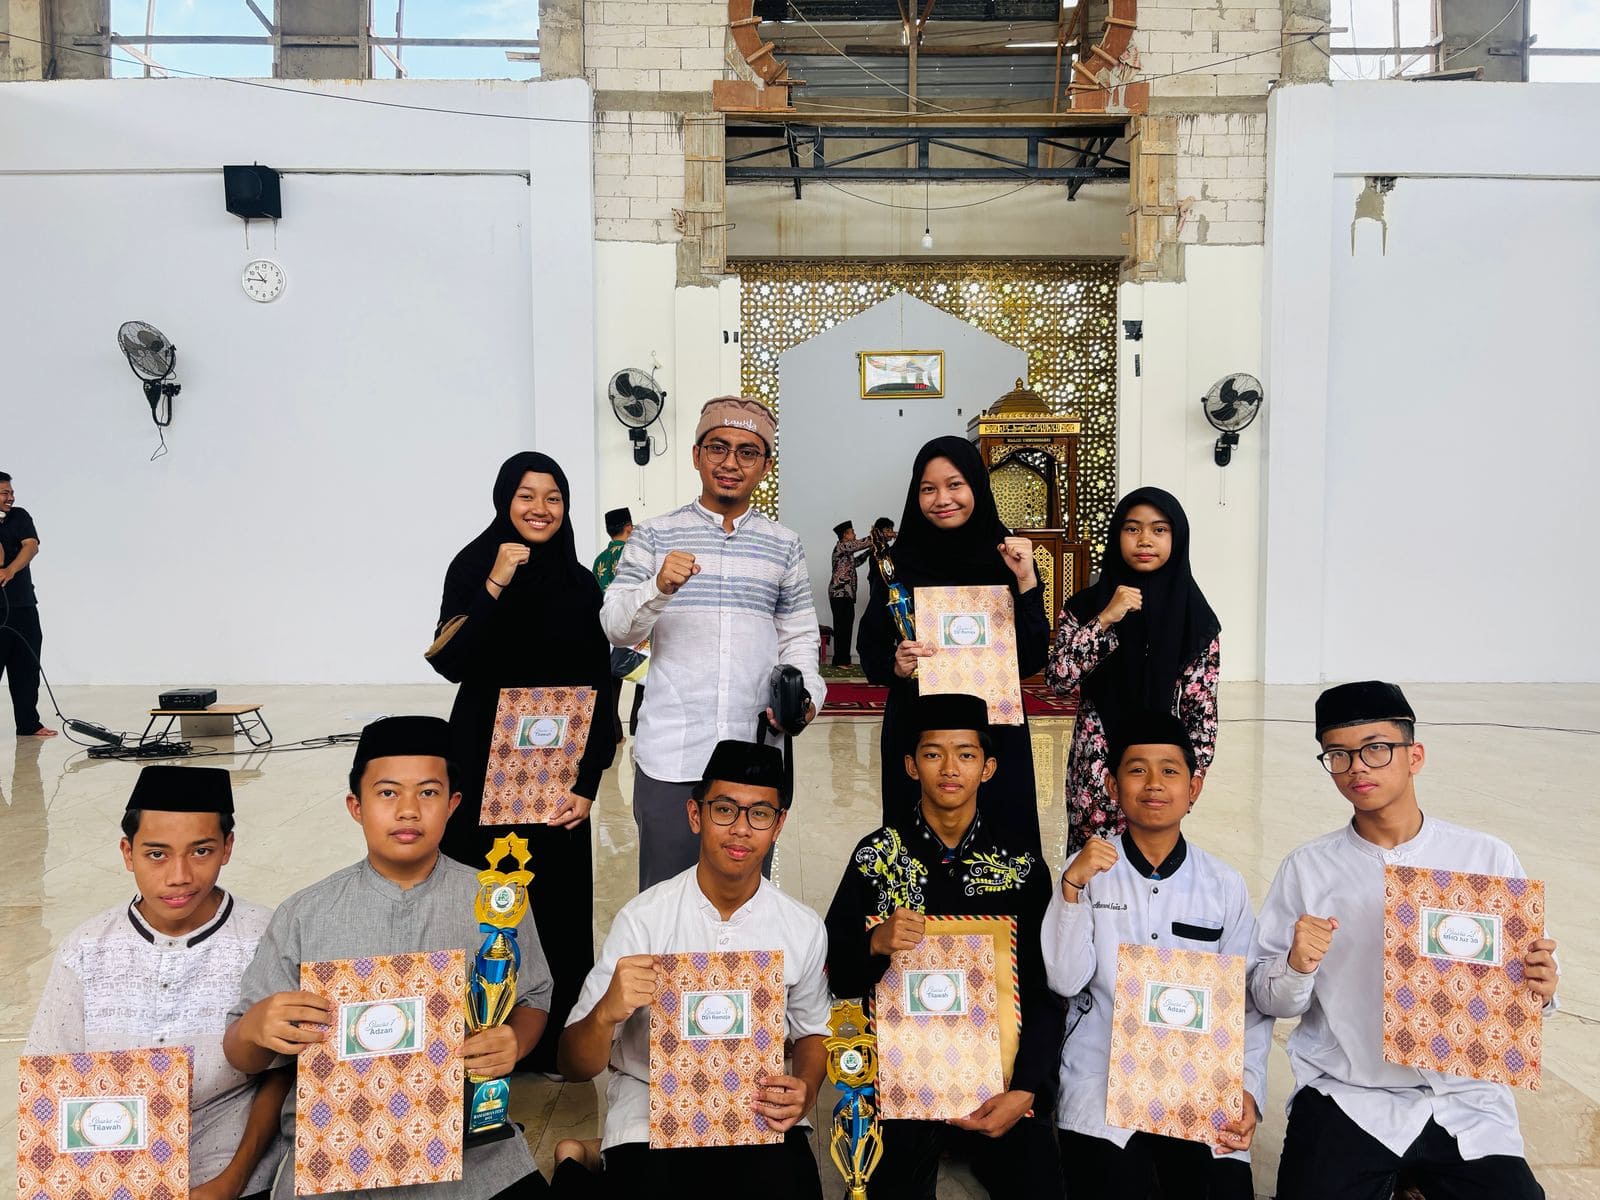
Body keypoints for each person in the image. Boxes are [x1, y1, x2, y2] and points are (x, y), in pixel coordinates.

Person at [1250, 682, 1559, 1200]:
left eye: (1376, 748)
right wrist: (1296, 966)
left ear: (1414, 756)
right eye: (1338, 754)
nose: (1357, 768)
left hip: (1464, 1096)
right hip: (1349, 1092)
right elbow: (1268, 998)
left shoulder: (1484, 858)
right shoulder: (1308, 869)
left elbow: (1527, 989)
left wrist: (1543, 987)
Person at [225, 716, 555, 1200]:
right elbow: (242, 1052)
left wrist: (515, 1041)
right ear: (356, 807)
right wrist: (255, 1027)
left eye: (428, 793)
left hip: (469, 1152)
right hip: (333, 1154)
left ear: (453, 804)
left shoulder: (495, 900)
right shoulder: (305, 914)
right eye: (387, 793)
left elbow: (533, 998)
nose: (407, 810)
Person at [556, 740, 831, 1198]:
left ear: (778, 825)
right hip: (650, 1111)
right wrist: (605, 1013)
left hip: (756, 1105)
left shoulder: (801, 927)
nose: (740, 829)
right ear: (694, 814)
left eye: (760, 814)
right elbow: (573, 1064)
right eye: (724, 809)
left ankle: (588, 1156)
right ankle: (582, 1157)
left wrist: (805, 1086)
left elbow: (813, 1032)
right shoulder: (644, 919)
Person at [824, 694, 1064, 1199]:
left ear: (988, 768)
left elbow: (1045, 990)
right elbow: (836, 975)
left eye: (966, 754)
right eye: (933, 754)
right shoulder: (877, 858)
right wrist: (875, 943)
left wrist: (1025, 1088)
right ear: (911, 766)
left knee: (1041, 1185)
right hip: (902, 1079)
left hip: (997, 1077)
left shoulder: (1020, 866)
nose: (950, 768)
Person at [427, 452, 615, 1074]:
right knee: (481, 898)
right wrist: (495, 585)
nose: (540, 509)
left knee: (556, 906)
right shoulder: (473, 564)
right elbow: (450, 662)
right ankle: (474, 1037)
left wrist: (588, 782)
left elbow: (601, 685)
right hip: (482, 770)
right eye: (526, 496)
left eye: (553, 497)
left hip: (556, 781)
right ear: (504, 500)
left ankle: (553, 1040)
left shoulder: (580, 583)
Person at [27, 765, 288, 1200]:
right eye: (156, 854)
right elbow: (50, 1082)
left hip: (231, 1180)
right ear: (127, 853)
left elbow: (284, 1076)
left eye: (201, 851)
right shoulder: (85, 950)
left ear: (227, 847)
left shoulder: (266, 938)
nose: (179, 875)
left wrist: (231, 1181)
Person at [600, 396, 826, 890]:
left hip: (753, 753)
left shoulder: (783, 544)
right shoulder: (654, 536)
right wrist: (658, 587)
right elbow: (616, 627)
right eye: (718, 447)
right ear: (696, 455)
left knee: (743, 898)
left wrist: (806, 697)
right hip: (672, 754)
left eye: (748, 452)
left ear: (766, 466)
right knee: (665, 896)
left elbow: (799, 636)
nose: (730, 463)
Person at [1043, 711, 1267, 1199]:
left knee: (1221, 1190)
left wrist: (1247, 1086)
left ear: (1194, 787)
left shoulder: (1223, 884)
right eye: (1137, 770)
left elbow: (1244, 1004)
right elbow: (1065, 980)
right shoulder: (1086, 871)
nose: (1153, 784)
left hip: (1200, 1079)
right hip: (1101, 1076)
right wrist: (1072, 888)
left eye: (1169, 770)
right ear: (1112, 784)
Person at [857, 436, 1047, 853]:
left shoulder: (1008, 557)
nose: (942, 499)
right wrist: (896, 663)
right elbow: (870, 647)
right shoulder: (896, 563)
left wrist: (1026, 582)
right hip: (918, 729)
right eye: (929, 488)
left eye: (955, 485)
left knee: (1002, 842)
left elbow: (1033, 657)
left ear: (977, 485)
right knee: (916, 849)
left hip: (994, 732)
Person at [1048, 487, 1219, 854]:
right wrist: (1105, 619)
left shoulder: (1195, 618)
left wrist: (1192, 776)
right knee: (1093, 862)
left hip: (1160, 770)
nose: (1144, 540)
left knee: (1153, 860)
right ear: (1116, 535)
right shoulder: (1085, 607)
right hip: (1097, 767)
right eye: (1132, 529)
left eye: (1159, 530)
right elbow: (1059, 679)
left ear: (1177, 538)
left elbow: (1201, 712)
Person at [0, 471, 54, 737]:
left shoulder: (20, 516)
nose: (10, 497)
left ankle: (28, 724)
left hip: (23, 606)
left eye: (11, 492)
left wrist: (10, 570)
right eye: (4, 493)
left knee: (26, 668)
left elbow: (31, 546)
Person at [593, 506, 646, 739]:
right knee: (642, 679)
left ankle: (614, 732)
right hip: (634, 624)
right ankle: (637, 727)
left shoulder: (600, 559)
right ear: (629, 528)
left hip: (607, 627)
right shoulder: (633, 554)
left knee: (613, 681)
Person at [827, 520, 872, 667]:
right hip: (839, 594)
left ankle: (845, 660)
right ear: (845, 535)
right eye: (852, 532)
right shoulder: (842, 546)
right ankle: (839, 660)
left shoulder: (847, 552)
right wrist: (875, 537)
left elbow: (856, 562)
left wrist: (869, 552)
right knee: (841, 627)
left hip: (848, 594)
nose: (855, 534)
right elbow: (858, 544)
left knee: (847, 627)